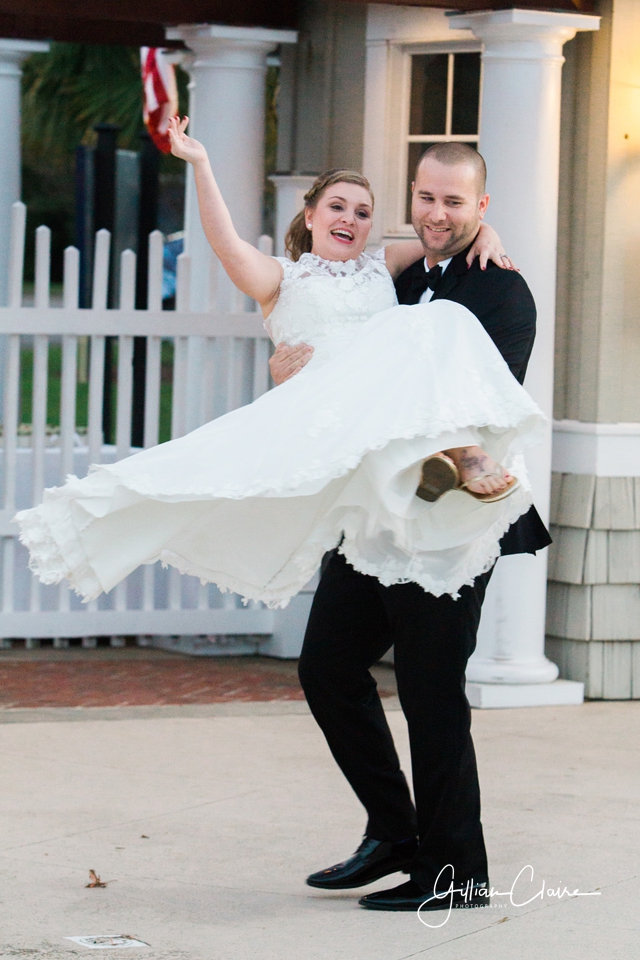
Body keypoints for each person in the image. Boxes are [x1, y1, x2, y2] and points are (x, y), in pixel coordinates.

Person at [16, 128, 542, 713]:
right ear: (311, 214)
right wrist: (202, 162)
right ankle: (444, 456)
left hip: (392, 439)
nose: (350, 218)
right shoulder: (282, 279)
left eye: (362, 211)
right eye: (337, 207)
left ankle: (451, 453)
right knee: (205, 482)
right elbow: (224, 243)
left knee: (435, 324)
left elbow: (446, 237)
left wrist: (487, 230)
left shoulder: (384, 268)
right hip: (336, 425)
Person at [272, 142, 552, 912]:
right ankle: (396, 833)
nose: (436, 214)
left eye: (455, 203)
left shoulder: (503, 296)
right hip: (376, 518)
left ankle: (456, 871)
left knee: (431, 696)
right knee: (327, 670)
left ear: (482, 209)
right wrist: (299, 373)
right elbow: (344, 340)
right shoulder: (393, 279)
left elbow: (474, 414)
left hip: (449, 524)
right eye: (426, 197)